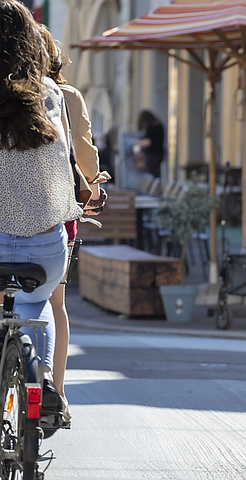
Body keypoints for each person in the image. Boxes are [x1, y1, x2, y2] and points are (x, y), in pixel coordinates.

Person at [0, 0, 83, 426]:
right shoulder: (51, 94)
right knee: (38, 305)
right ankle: (44, 378)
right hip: (47, 242)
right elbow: (65, 162)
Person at [39, 24, 112, 428]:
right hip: (56, 214)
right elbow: (83, 154)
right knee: (54, 304)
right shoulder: (65, 96)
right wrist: (94, 183)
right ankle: (56, 394)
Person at [134, 109, 165, 178]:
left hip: (152, 154)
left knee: (151, 174)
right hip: (160, 153)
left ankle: (154, 187)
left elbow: (148, 142)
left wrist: (137, 142)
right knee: (156, 173)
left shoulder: (151, 126)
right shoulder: (159, 125)